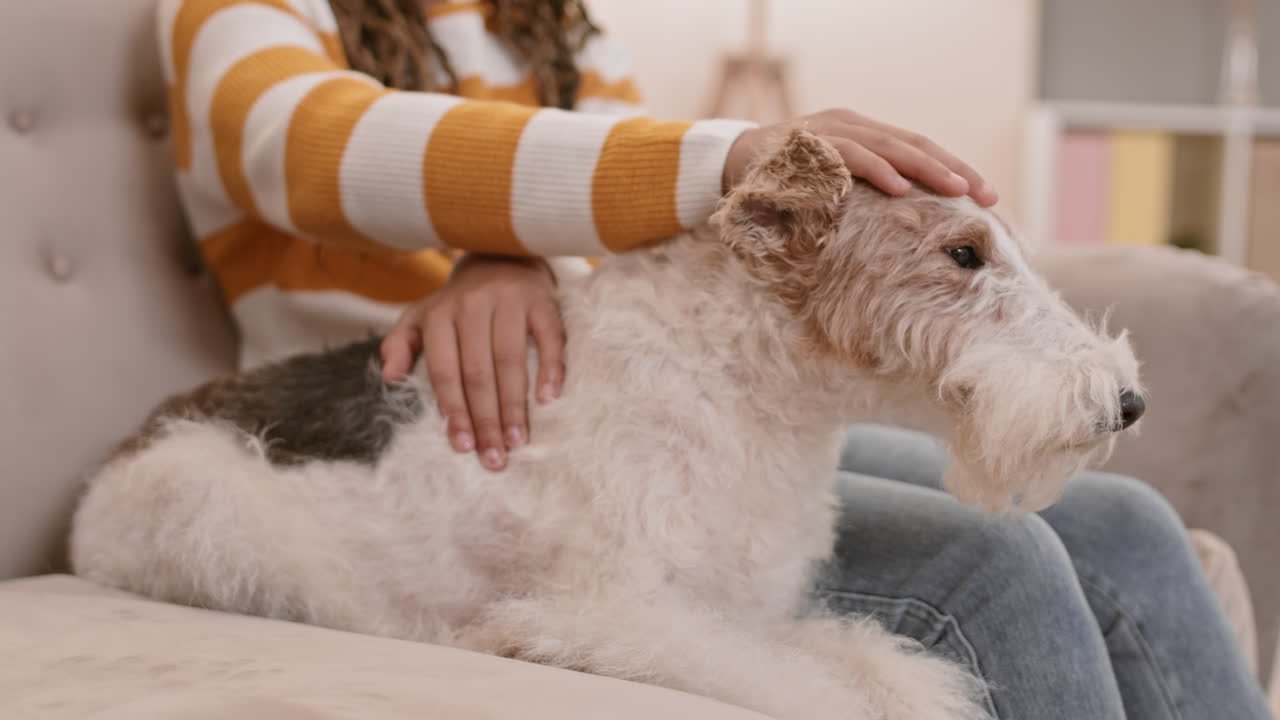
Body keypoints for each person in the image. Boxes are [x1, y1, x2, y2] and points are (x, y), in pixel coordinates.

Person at [162, 0, 1274, 717]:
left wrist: (507, 254)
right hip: (399, 416)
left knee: (1126, 526)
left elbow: (616, 224)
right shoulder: (243, 11)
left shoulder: (553, 23)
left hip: (592, 383)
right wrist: (719, 160)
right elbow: (311, 150)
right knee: (995, 566)